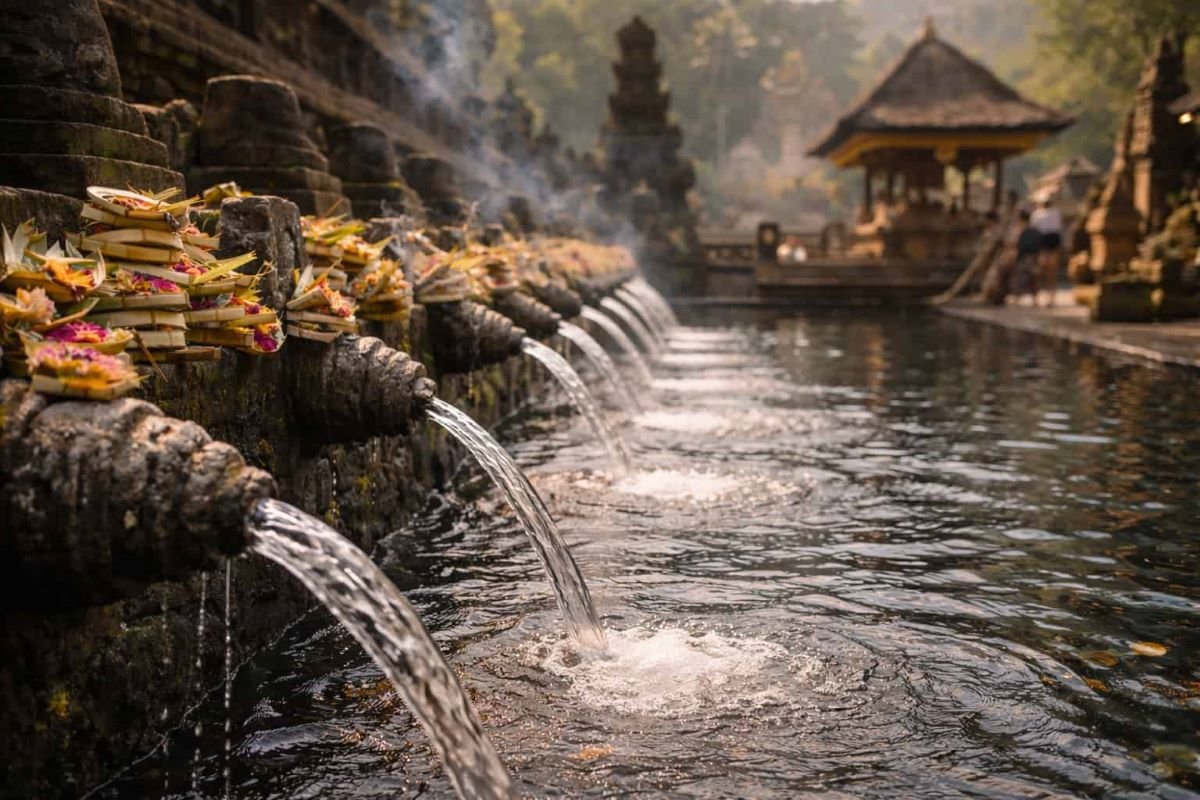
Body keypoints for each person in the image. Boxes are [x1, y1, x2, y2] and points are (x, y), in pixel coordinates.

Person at [1031, 196, 1064, 306]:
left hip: (1044, 243)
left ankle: (1039, 298)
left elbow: (1035, 229)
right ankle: (1050, 298)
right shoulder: (1056, 213)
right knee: (1051, 273)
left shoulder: (1037, 214)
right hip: (1052, 242)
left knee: (1041, 272)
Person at [1011, 209, 1043, 306]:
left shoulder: (1020, 230)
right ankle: (1035, 300)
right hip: (1034, 257)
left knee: (1020, 278)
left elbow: (1015, 244)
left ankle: (1017, 299)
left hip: (1023, 257)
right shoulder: (1035, 230)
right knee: (1033, 279)